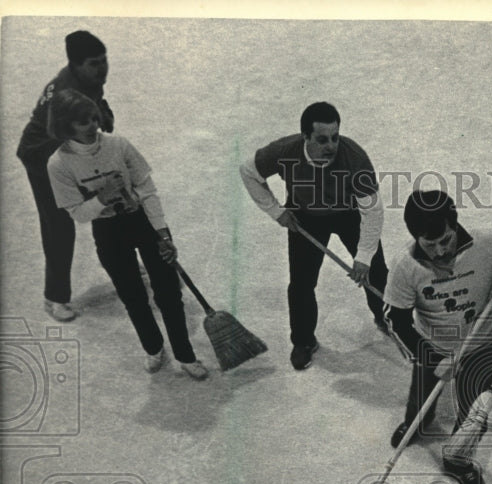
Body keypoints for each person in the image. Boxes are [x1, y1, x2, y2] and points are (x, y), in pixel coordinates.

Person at [46, 89, 208, 380]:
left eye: (94, 117)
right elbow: (78, 214)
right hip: (109, 232)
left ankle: (185, 355)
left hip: (143, 222)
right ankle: (153, 347)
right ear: (66, 125)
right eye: (84, 122)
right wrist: (103, 199)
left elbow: (146, 188)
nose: (94, 125)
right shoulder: (59, 164)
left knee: (169, 294)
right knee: (133, 297)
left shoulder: (119, 145)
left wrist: (162, 232)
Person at [382, 190, 492, 484]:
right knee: (421, 395)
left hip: (483, 341)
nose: (440, 252)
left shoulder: (488, 239)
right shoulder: (405, 266)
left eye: (446, 240)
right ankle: (418, 422)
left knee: (472, 407)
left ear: (455, 225)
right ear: (416, 238)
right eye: (430, 245)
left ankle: (457, 458)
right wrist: (432, 358)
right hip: (432, 343)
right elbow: (396, 320)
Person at [239, 101, 389, 370]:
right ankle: (303, 340)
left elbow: (373, 211)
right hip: (304, 216)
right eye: (322, 139)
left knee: (376, 271)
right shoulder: (285, 152)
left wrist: (364, 256)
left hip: (348, 213)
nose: (331, 146)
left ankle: (387, 317)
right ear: (305, 137)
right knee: (301, 284)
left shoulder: (354, 158)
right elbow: (248, 171)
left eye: (335, 137)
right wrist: (277, 212)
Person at [17, 30, 115, 322]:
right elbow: (62, 138)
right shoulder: (65, 95)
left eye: (104, 60)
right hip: (42, 156)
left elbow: (95, 102)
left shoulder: (87, 80)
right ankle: (55, 298)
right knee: (60, 225)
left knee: (111, 202)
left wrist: (103, 112)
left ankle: (125, 263)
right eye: (94, 63)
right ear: (76, 65)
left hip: (67, 148)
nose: (102, 68)